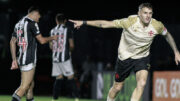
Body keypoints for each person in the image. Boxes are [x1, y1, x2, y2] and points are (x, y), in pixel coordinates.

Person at [69, 3, 180, 101]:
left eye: (150, 13)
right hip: (125, 58)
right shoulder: (129, 22)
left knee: (142, 83)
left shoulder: (157, 25)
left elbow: (168, 35)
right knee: (117, 87)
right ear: (139, 13)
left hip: (142, 57)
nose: (148, 16)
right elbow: (105, 24)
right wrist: (83, 22)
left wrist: (176, 51)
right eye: (145, 13)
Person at [10, 6, 57, 101]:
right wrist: (53, 38)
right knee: (24, 86)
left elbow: (12, 42)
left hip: (21, 58)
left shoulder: (18, 24)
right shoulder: (32, 23)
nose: (38, 20)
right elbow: (42, 41)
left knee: (30, 85)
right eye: (38, 17)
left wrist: (14, 59)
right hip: (29, 58)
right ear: (35, 13)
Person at [49, 13, 79, 101]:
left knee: (58, 78)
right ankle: (76, 97)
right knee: (70, 77)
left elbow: (51, 46)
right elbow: (72, 45)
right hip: (65, 57)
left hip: (55, 58)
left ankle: (54, 98)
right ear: (65, 21)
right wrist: (68, 52)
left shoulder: (52, 31)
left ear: (56, 21)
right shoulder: (67, 30)